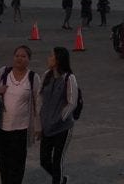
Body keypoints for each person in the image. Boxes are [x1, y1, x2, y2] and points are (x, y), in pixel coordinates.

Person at [0, 45, 38, 184]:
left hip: (21, 130)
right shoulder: (4, 72)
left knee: (17, 166)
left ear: (29, 60)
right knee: (4, 165)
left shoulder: (33, 77)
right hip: (2, 129)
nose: (19, 58)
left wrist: (39, 126)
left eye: (23, 56)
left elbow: (38, 103)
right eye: (17, 55)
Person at [34, 46, 79, 184]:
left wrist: (60, 118)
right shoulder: (46, 75)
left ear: (58, 59)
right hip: (47, 127)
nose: (49, 58)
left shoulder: (69, 78)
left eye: (51, 56)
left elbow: (72, 103)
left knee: (57, 159)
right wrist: (39, 124)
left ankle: (58, 180)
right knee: (44, 160)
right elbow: (39, 98)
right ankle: (61, 179)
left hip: (62, 128)